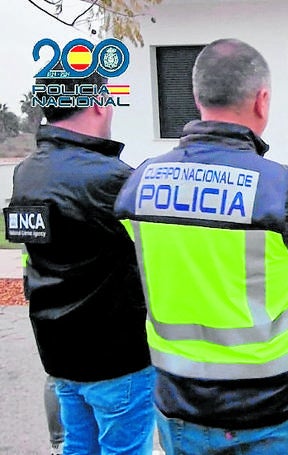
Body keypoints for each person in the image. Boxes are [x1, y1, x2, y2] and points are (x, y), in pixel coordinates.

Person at [114, 38, 288, 454]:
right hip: (269, 408)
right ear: (262, 100)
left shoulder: (141, 183)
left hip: (181, 404)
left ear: (197, 97)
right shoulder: (284, 188)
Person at [6, 70, 155, 454]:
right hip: (117, 359)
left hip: (59, 354)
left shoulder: (27, 173)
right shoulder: (112, 178)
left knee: (77, 447)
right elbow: (156, 256)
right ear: (97, 104)